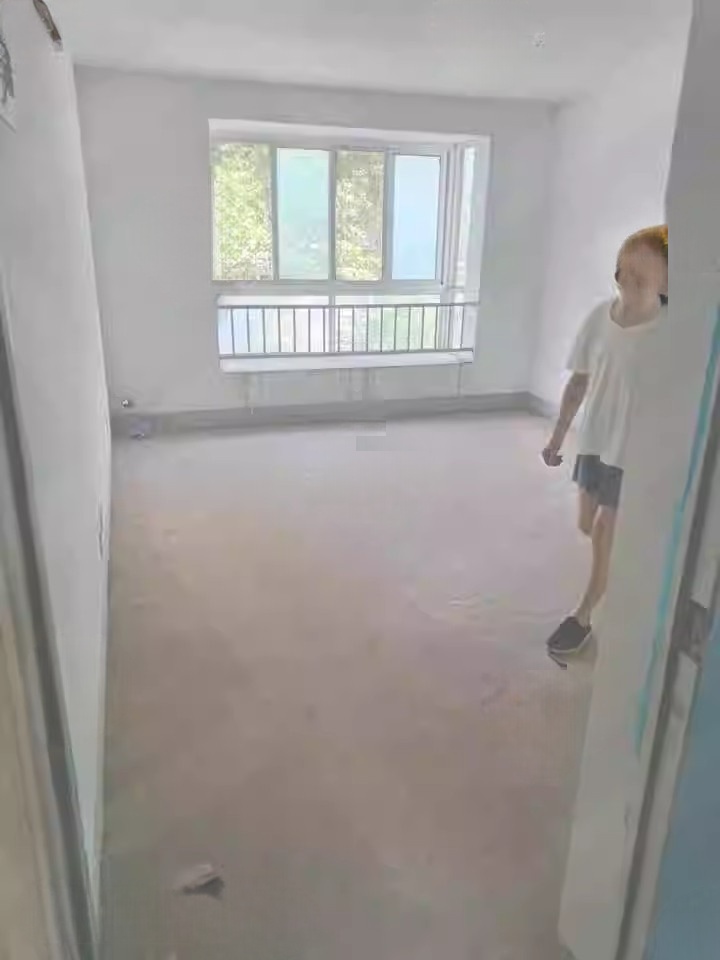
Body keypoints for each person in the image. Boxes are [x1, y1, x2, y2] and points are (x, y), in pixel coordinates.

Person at [542, 225, 669, 657]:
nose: (627, 284)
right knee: (586, 524)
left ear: (665, 283)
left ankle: (583, 616)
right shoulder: (600, 318)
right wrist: (558, 436)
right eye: (622, 272)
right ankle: (622, 566)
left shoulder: (670, 332)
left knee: (602, 533)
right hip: (596, 441)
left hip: (633, 453)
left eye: (641, 278)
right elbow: (578, 383)